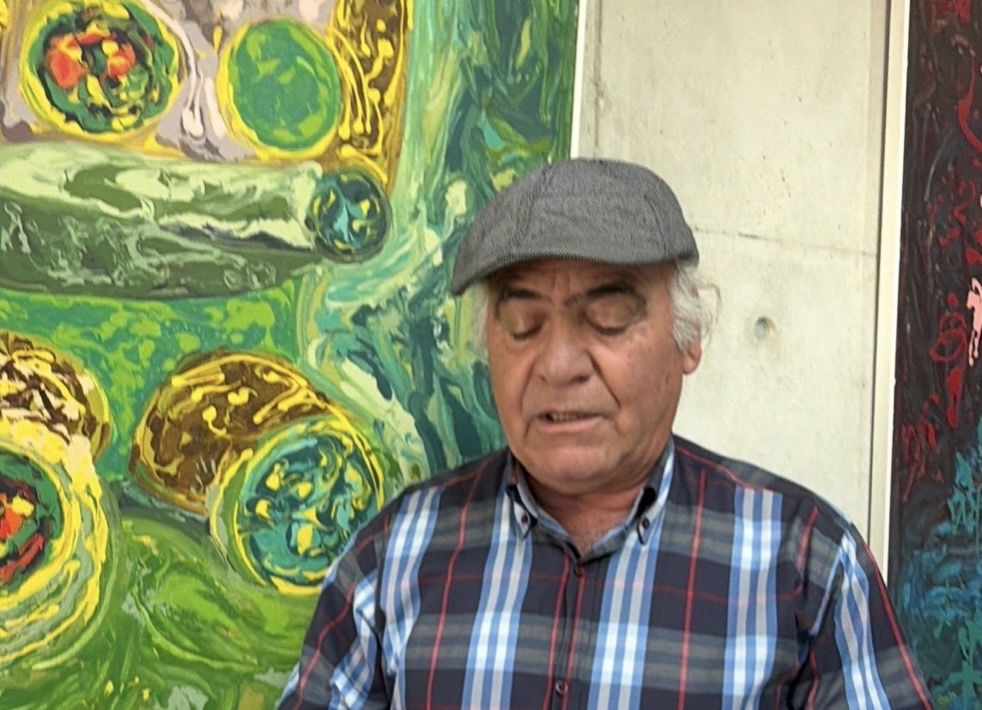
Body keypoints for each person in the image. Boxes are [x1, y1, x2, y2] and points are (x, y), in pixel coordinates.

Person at [277, 158, 931, 708]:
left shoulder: (806, 564)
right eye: (524, 325)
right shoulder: (395, 556)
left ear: (689, 336)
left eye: (609, 318)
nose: (559, 364)